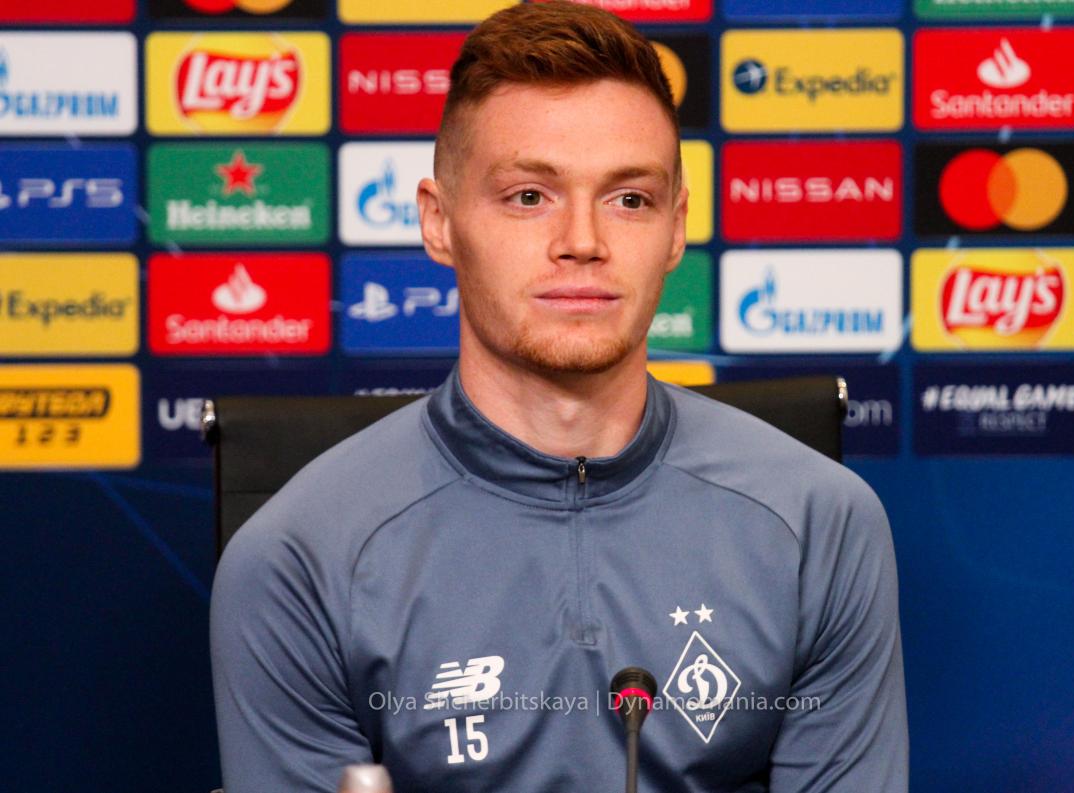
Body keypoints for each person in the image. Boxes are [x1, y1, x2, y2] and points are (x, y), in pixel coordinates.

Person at [209, 2, 908, 791]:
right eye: (528, 196)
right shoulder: (296, 562)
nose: (582, 241)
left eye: (629, 198)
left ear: (676, 227)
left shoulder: (821, 524)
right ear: (438, 223)